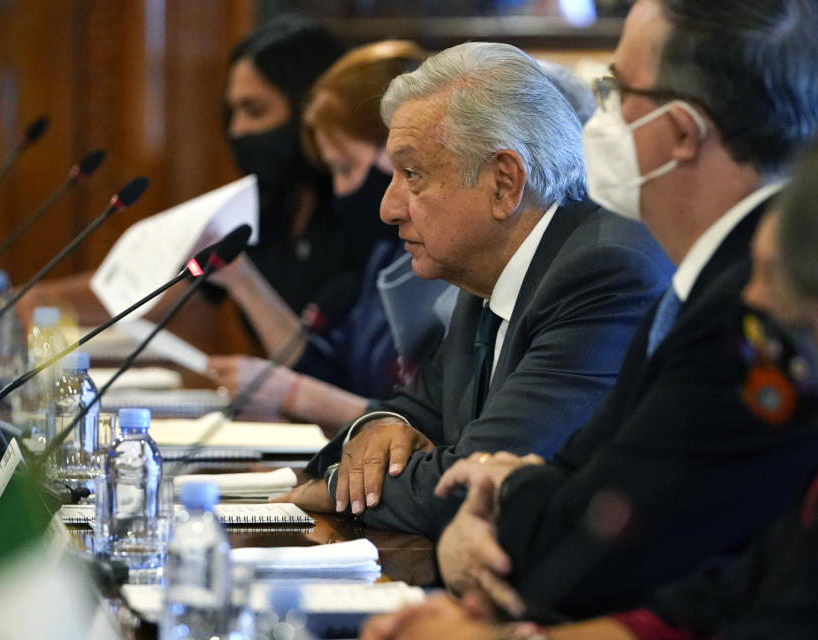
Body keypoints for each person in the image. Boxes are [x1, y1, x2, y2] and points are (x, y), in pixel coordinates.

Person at [431, 0, 818, 620]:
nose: (600, 114)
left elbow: (598, 546)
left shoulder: (756, 308)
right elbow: (581, 469)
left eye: (618, 90)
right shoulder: (699, 280)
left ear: (683, 132)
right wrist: (504, 499)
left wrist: (499, 498)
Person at [360, 138, 818, 640]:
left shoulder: (609, 267)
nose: (751, 297)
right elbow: (722, 595)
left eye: (772, 275)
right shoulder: (480, 286)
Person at [274, 42, 673, 539]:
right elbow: (411, 408)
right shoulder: (486, 267)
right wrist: (377, 431)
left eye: (412, 174)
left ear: (504, 183)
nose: (388, 207)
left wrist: (342, 487)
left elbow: (474, 489)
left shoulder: (603, 274)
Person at [16, 16, 353, 326]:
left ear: (309, 110)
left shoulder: (359, 214)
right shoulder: (260, 208)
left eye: (255, 111)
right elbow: (155, 290)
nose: (237, 130)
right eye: (231, 113)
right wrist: (44, 300)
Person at [206, 40, 457, 436]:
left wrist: (293, 394)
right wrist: (240, 279)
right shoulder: (382, 256)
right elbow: (329, 371)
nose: (341, 192)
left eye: (345, 168)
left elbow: (429, 428)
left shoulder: (448, 269)